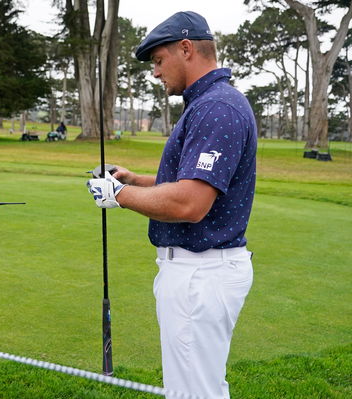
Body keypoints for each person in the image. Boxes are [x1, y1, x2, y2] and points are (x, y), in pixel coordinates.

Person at [86, 11, 256, 399]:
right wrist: (133, 181)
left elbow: (190, 203)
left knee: (193, 393)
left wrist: (118, 196)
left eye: (159, 61)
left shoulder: (217, 108)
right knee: (199, 387)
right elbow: (187, 183)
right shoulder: (207, 103)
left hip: (201, 275)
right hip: (200, 271)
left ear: (186, 49)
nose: (156, 73)